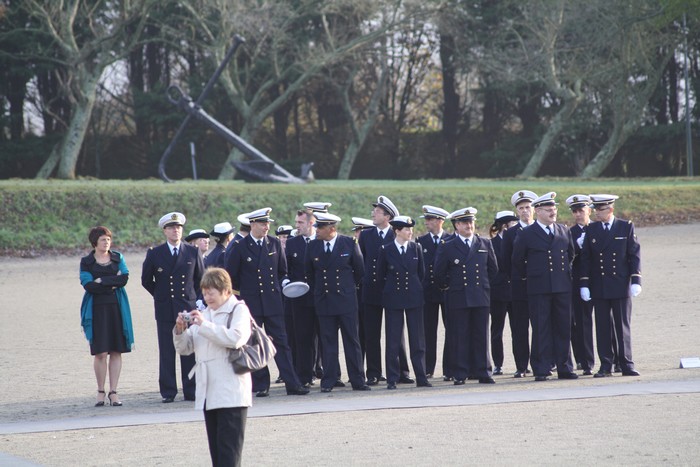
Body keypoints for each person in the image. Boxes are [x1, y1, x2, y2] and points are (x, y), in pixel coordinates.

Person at [223, 207, 309, 397]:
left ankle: (292, 383)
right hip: (251, 302)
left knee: (282, 342)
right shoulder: (240, 247)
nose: (267, 227)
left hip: (272, 301)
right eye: (263, 224)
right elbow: (231, 276)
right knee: (254, 343)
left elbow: (281, 271)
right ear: (252, 224)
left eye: (268, 223)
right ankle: (262, 383)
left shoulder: (274, 244)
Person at [173, 268, 252, 467]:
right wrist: (180, 330)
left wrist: (204, 325)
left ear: (226, 290)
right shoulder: (204, 313)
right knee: (217, 456)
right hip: (208, 391)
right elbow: (185, 349)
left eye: (211, 292)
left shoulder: (238, 309)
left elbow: (236, 338)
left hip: (231, 391)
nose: (207, 297)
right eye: (205, 292)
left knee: (229, 456)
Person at [512, 192, 578, 382]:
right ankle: (541, 368)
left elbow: (570, 254)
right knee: (541, 329)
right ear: (538, 211)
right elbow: (517, 261)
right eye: (548, 209)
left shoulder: (563, 230)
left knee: (563, 327)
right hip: (538, 288)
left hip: (562, 287)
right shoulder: (527, 234)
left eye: (554, 209)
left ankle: (565, 367)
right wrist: (534, 276)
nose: (553, 212)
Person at [304, 212, 371, 393]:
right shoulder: (312, 246)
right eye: (316, 226)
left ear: (331, 229)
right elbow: (309, 274)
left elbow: (360, 271)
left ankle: (358, 379)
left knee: (352, 340)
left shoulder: (348, 243)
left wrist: (347, 289)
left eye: (320, 227)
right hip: (324, 301)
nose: (316, 230)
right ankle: (329, 379)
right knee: (328, 342)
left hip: (346, 300)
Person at [141, 212, 204, 403]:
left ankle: (191, 390)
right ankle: (168, 391)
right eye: (171, 228)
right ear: (165, 231)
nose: (175, 231)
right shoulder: (155, 253)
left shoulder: (192, 252)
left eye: (178, 227)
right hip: (165, 308)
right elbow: (146, 280)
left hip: (186, 307)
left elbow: (200, 279)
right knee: (167, 351)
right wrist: (161, 296)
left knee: (189, 349)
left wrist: (196, 300)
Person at [580, 194, 642, 377]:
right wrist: (584, 284)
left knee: (622, 326)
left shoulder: (625, 226)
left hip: (620, 283)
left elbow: (634, 255)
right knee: (603, 327)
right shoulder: (591, 229)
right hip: (600, 285)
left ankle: (626, 363)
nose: (597, 213)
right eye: (596, 209)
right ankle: (606, 364)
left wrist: (636, 279)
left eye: (601, 209)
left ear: (611, 209)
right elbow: (586, 259)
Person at [434, 207, 498, 385]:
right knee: (460, 336)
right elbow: (439, 272)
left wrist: (483, 286)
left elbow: (493, 270)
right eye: (465, 222)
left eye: (471, 222)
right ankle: (460, 373)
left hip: (480, 295)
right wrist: (451, 286)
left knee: (481, 335)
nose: (469, 225)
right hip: (459, 296)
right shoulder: (448, 245)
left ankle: (483, 371)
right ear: (456, 225)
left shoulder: (484, 243)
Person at [359, 195, 412, 385]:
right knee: (371, 333)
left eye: (378, 211)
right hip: (371, 290)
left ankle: (401, 371)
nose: (373, 214)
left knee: (396, 334)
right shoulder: (366, 235)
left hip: (392, 291)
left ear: (388, 217)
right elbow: (361, 261)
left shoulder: (396, 235)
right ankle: (373, 372)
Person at [80, 226, 134, 407]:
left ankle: (114, 391)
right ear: (95, 242)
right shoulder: (87, 262)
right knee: (101, 352)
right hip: (97, 309)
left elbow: (124, 278)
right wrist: (112, 281)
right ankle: (100, 391)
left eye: (109, 239)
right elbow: (88, 285)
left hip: (116, 308)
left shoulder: (118, 258)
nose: (107, 242)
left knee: (116, 350)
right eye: (103, 240)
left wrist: (102, 280)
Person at [378, 215, 431, 389]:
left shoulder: (416, 248)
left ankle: (421, 377)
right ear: (397, 231)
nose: (410, 232)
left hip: (414, 298)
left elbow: (421, 274)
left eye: (411, 229)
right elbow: (380, 275)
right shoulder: (386, 249)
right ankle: (392, 378)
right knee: (393, 340)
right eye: (407, 229)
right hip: (393, 298)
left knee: (417, 339)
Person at [285, 203, 335, 387]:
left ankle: (331, 375)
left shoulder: (322, 241)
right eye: (296, 222)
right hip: (300, 300)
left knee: (326, 338)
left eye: (300, 222)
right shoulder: (292, 243)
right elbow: (287, 269)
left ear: (312, 223)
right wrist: (286, 282)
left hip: (322, 297)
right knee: (303, 339)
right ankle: (304, 376)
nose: (297, 225)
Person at [500, 190, 537, 378]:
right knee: (520, 329)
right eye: (521, 208)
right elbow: (505, 262)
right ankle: (521, 366)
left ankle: (541, 364)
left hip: (540, 287)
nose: (525, 211)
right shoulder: (510, 234)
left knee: (541, 327)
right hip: (519, 288)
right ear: (517, 211)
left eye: (528, 207)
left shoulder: (540, 228)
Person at [415, 205, 454, 380]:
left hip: (447, 292)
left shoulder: (451, 240)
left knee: (452, 330)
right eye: (426, 219)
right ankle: (427, 368)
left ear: (440, 221)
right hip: (427, 293)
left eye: (430, 220)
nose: (427, 223)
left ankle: (450, 368)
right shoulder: (420, 242)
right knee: (428, 332)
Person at [566, 195, 595, 375]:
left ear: (589, 211)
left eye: (581, 210)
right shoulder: (569, 233)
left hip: (599, 281)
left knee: (608, 321)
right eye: (574, 211)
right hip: (578, 283)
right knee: (581, 323)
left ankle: (614, 359)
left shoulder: (598, 228)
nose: (578, 214)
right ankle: (585, 362)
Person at [488, 210, 518, 376]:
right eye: (512, 223)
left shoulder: (518, 240)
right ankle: (498, 363)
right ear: (504, 225)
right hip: (498, 292)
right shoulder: (491, 243)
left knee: (517, 329)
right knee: (497, 330)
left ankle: (521, 363)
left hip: (514, 291)